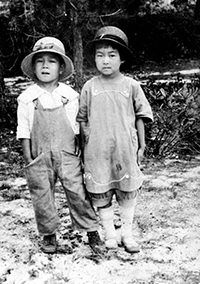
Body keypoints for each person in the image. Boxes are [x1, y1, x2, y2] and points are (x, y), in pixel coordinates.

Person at [17, 36, 102, 254]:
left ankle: (91, 230)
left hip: (67, 153)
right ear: (33, 67)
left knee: (77, 191)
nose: (45, 65)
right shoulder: (27, 98)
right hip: (39, 155)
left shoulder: (69, 96)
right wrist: (29, 158)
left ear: (61, 66)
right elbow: (24, 130)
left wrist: (80, 149)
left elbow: (76, 127)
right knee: (42, 194)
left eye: (51, 61)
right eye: (40, 61)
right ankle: (48, 234)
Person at [77, 26, 153, 253]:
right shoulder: (90, 87)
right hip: (97, 150)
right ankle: (109, 234)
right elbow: (82, 119)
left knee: (127, 191)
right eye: (100, 55)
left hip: (124, 149)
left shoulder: (131, 86)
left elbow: (140, 116)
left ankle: (127, 234)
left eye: (112, 55)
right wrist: (86, 141)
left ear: (122, 59)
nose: (106, 61)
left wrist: (141, 145)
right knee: (101, 193)